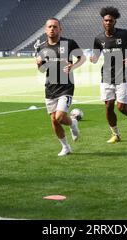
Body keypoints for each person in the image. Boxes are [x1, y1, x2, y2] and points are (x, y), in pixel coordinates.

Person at [36, 18, 85, 156]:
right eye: (49, 27)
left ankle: (73, 123)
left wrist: (73, 66)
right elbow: (42, 70)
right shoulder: (41, 47)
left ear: (60, 29)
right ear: (45, 30)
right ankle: (65, 147)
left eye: (55, 26)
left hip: (66, 86)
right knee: (54, 120)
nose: (52, 29)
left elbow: (82, 58)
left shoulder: (69, 43)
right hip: (50, 87)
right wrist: (39, 64)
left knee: (59, 116)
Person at [90, 7, 127, 143]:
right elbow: (95, 54)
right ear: (102, 21)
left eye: (110, 20)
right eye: (105, 20)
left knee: (121, 106)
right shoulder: (98, 38)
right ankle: (116, 134)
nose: (107, 23)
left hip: (123, 74)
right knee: (108, 106)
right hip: (106, 76)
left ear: (115, 21)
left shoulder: (124, 34)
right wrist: (93, 58)